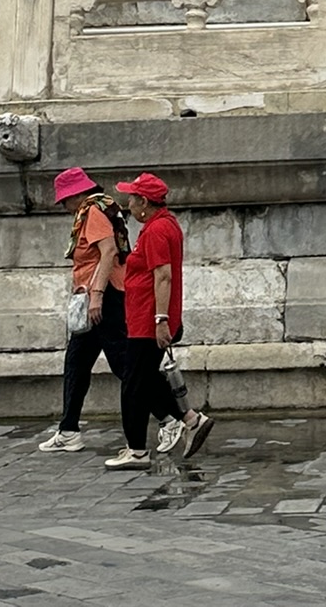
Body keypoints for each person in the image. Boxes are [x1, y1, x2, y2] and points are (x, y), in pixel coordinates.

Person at [107, 172, 212, 468]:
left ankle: (137, 450)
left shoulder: (155, 231)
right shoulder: (164, 226)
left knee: (133, 384)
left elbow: (163, 275)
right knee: (144, 379)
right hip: (144, 317)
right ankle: (191, 420)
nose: (128, 204)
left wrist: (160, 319)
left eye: (132, 198)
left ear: (143, 201)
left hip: (148, 319)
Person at [39, 168, 131, 453]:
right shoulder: (99, 210)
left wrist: (97, 297)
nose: (64, 207)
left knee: (123, 363)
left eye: (65, 201)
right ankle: (68, 430)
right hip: (98, 297)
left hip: (103, 298)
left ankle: (178, 416)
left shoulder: (91, 213)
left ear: (77, 195)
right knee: (76, 363)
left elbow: (108, 253)